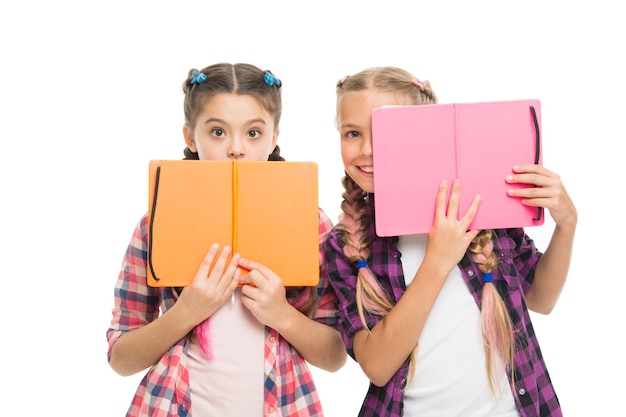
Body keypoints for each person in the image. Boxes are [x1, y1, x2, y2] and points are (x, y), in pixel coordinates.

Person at [323, 66, 577, 417]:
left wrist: (567, 224)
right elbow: (377, 366)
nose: (366, 149)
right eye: (352, 133)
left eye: (385, 132)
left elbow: (542, 299)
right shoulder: (344, 245)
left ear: (428, 135)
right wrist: (437, 262)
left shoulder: (481, 208)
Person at [107, 62, 346, 417]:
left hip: (282, 404)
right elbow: (121, 359)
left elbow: (335, 355)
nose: (236, 148)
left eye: (253, 133)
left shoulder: (310, 223)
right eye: (217, 132)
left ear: (274, 137)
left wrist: (281, 314)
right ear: (191, 137)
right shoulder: (156, 223)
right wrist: (187, 312)